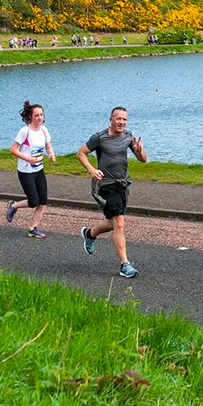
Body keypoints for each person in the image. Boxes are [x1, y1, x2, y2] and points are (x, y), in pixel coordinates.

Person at [76, 107, 148, 278]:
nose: (121, 122)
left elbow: (143, 160)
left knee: (113, 223)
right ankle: (125, 265)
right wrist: (92, 170)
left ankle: (90, 234)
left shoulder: (128, 136)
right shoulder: (100, 137)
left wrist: (138, 151)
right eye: (118, 119)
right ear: (111, 120)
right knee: (120, 223)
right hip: (105, 184)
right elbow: (81, 154)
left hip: (121, 184)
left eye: (124, 119)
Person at [6, 100, 55, 238]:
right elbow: (13, 150)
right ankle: (14, 206)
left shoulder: (44, 130)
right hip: (26, 171)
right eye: (37, 115)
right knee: (33, 201)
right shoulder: (24, 131)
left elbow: (48, 146)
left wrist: (51, 153)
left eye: (41, 115)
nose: (40, 118)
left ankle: (33, 229)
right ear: (30, 117)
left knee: (43, 200)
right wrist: (28, 159)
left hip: (38, 169)